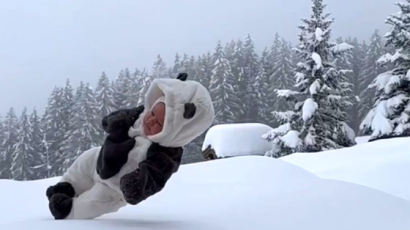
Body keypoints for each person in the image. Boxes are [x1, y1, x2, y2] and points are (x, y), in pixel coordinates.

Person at [46, 73, 215, 219]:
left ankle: (68, 211)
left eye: (158, 123)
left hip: (113, 187)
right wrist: (115, 121)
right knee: (85, 159)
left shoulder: (165, 154)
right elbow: (118, 119)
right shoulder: (140, 115)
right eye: (153, 113)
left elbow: (154, 177)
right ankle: (68, 187)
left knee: (95, 201)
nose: (150, 120)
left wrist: (136, 186)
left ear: (177, 131)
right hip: (102, 159)